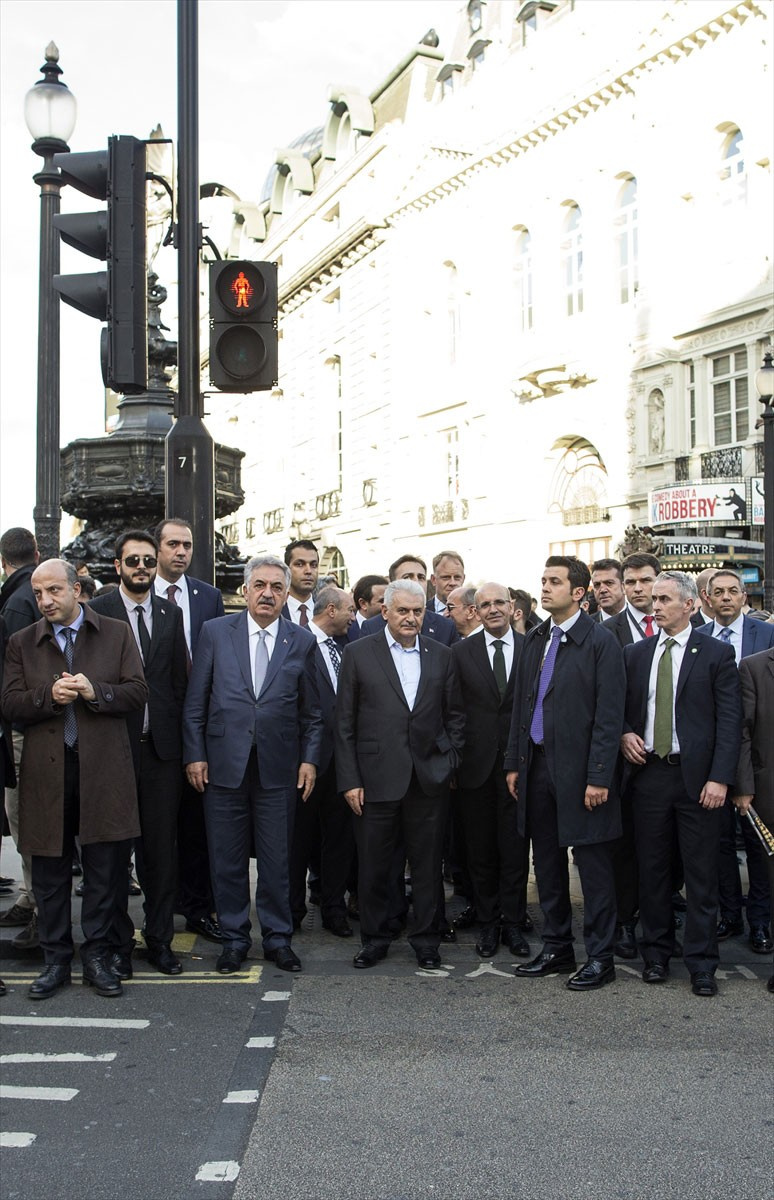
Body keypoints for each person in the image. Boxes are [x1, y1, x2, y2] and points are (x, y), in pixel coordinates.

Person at [1, 559, 147, 1000]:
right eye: (39, 594)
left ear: (77, 590)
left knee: (105, 869)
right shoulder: (22, 642)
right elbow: (9, 704)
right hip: (47, 772)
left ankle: (98, 958)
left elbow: (137, 692)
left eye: (54, 592)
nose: (45, 601)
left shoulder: (116, 633)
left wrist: (94, 691)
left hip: (103, 768)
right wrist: (48, 696)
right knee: (49, 870)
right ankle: (56, 960)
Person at [183, 555, 322, 974]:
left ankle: (278, 939)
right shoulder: (215, 632)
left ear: (286, 593)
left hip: (279, 769)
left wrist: (309, 761)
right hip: (223, 766)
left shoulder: (301, 640)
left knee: (278, 860)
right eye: (259, 585)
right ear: (245, 590)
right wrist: (195, 754)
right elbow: (195, 704)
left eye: (276, 587)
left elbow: (313, 714)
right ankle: (234, 938)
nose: (267, 593)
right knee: (226, 860)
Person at [505, 556, 626, 991]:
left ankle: (600, 956)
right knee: (548, 862)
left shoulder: (600, 642)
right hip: (536, 765)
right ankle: (557, 947)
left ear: (578, 592)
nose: (545, 587)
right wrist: (514, 763)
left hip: (582, 773)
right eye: (543, 580)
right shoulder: (536, 638)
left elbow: (610, 717)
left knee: (592, 866)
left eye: (554, 581)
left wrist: (599, 776)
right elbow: (523, 705)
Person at [620, 571, 741, 997]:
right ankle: (656, 955)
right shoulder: (635, 654)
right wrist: (624, 732)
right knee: (652, 872)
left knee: (701, 875)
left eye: (665, 599)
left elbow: (730, 723)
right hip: (650, 776)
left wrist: (720, 778)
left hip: (699, 781)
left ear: (690, 604)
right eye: (653, 599)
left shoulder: (716, 654)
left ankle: (702, 963)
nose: (655, 605)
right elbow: (619, 708)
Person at [334, 579, 465, 969]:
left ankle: (426, 940)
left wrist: (449, 761)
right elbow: (344, 724)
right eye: (403, 611)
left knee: (427, 866)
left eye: (418, 611)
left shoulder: (442, 654)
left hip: (428, 779)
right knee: (375, 865)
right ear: (385, 612)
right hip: (374, 779)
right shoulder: (358, 653)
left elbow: (455, 716)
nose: (411, 618)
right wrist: (350, 780)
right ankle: (375, 938)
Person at [91, 530, 189, 976]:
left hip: (161, 753)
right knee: (114, 855)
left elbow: (178, 685)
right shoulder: (100, 612)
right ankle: (117, 944)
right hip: (114, 752)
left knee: (160, 855)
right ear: (117, 566)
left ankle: (160, 940)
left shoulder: (170, 613)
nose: (142, 568)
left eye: (149, 561)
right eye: (133, 561)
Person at [153, 517, 225, 944]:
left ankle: (199, 906)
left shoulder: (208, 596)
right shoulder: (140, 594)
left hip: (202, 724)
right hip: (159, 726)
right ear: (159, 549)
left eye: (188, 545)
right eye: (173, 544)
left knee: (199, 824)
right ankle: (162, 909)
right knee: (162, 826)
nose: (181, 552)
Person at [698, 569, 774, 953]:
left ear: (744, 597)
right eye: (719, 592)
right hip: (709, 760)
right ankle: (730, 913)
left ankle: (760, 920)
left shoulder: (766, 636)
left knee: (758, 844)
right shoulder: (696, 638)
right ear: (707, 599)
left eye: (733, 591)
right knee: (720, 841)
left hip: (755, 759)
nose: (726, 598)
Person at [452, 583, 529, 958]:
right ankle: (488, 924)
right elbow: (453, 711)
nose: (494, 609)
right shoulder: (460, 653)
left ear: (512, 607)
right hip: (474, 769)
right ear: (475, 611)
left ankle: (513, 924)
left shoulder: (534, 648)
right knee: (479, 853)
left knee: (515, 852)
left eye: (500, 602)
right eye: (486, 604)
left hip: (520, 768)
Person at [289, 586, 357, 936]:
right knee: (297, 840)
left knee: (338, 840)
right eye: (349, 610)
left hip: (341, 762)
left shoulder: (347, 647)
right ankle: (291, 911)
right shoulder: (297, 642)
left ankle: (334, 908)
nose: (353, 617)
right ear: (331, 610)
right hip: (304, 763)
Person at [0, 527, 40, 950]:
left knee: (24, 818)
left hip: (23, 730)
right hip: (31, 724)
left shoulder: (16, 601)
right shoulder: (27, 596)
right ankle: (32, 899)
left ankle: (39, 907)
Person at [734, 646, 774, 992]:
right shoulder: (754, 667)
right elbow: (743, 732)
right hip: (766, 789)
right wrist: (743, 787)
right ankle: (760, 924)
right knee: (763, 863)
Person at [359, 555, 459, 645]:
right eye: (407, 577)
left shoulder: (446, 627)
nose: (416, 581)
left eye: (421, 577)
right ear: (393, 583)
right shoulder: (371, 627)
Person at [282, 539, 319, 627]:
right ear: (286, 569)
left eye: (313, 565)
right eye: (299, 564)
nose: (308, 571)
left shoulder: (326, 613)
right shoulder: (274, 613)